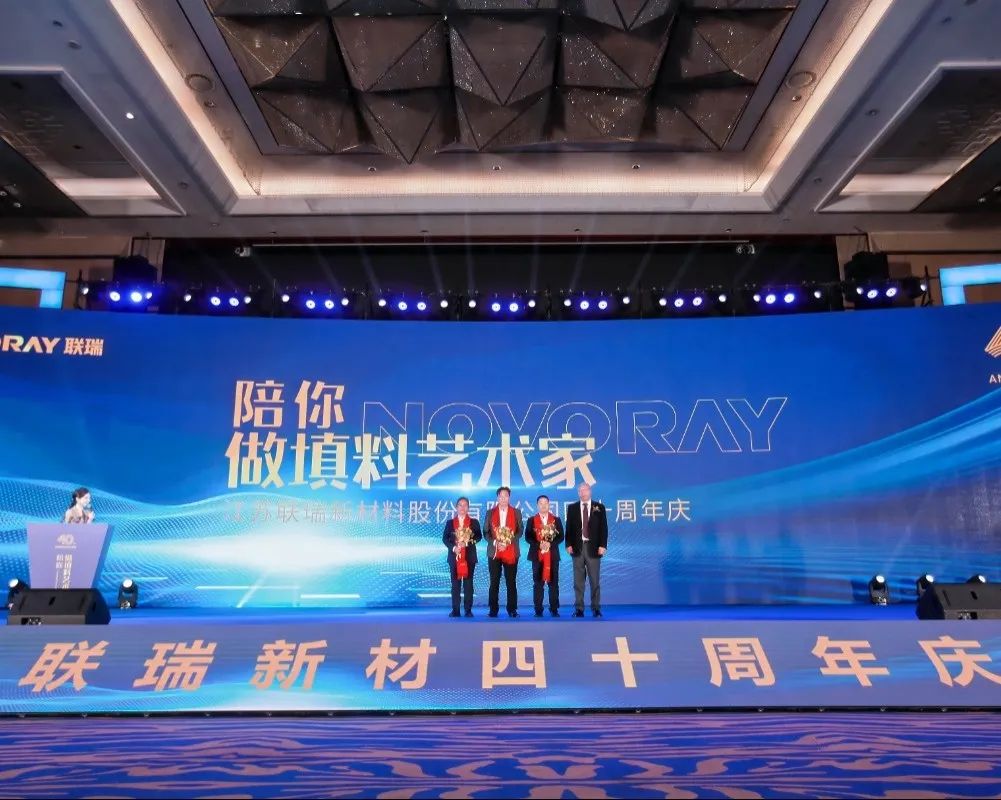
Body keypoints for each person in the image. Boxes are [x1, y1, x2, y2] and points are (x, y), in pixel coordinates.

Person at [564, 482, 607, 617]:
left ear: (590, 491)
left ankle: (596, 608)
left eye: (585, 490)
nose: (583, 493)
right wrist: (568, 544)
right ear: (578, 493)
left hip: (594, 548)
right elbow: (568, 528)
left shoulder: (599, 507)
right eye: (580, 491)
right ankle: (579, 608)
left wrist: (603, 545)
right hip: (577, 547)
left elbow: (603, 528)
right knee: (578, 581)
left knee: (594, 581)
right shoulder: (572, 508)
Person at [484, 486, 523, 617]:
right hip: (494, 552)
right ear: (497, 498)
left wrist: (508, 542)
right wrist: (496, 542)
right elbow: (486, 532)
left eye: (506, 496)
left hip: (511, 551)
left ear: (509, 497)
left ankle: (512, 609)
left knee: (511, 581)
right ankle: (493, 609)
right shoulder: (490, 513)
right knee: (494, 581)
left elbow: (520, 531)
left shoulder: (516, 512)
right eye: (501, 496)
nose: (503, 498)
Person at [524, 494, 564, 617]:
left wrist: (550, 544)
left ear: (549, 504)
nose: (543, 505)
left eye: (545, 503)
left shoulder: (556, 519)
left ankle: (554, 609)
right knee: (538, 584)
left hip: (552, 555)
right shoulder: (531, 520)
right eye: (540, 503)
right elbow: (528, 537)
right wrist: (539, 544)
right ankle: (538, 609)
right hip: (537, 555)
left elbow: (561, 536)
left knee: (553, 583)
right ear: (537, 505)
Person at [442, 497, 482, 618]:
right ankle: (455, 610)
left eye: (465, 505)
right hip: (454, 557)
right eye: (460, 505)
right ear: (456, 507)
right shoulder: (450, 523)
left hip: (469, 557)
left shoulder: (474, 522)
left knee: (468, 584)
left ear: (468, 507)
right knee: (455, 584)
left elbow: (478, 537)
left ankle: (468, 610)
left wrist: (467, 543)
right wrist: (454, 548)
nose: (462, 507)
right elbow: (445, 539)